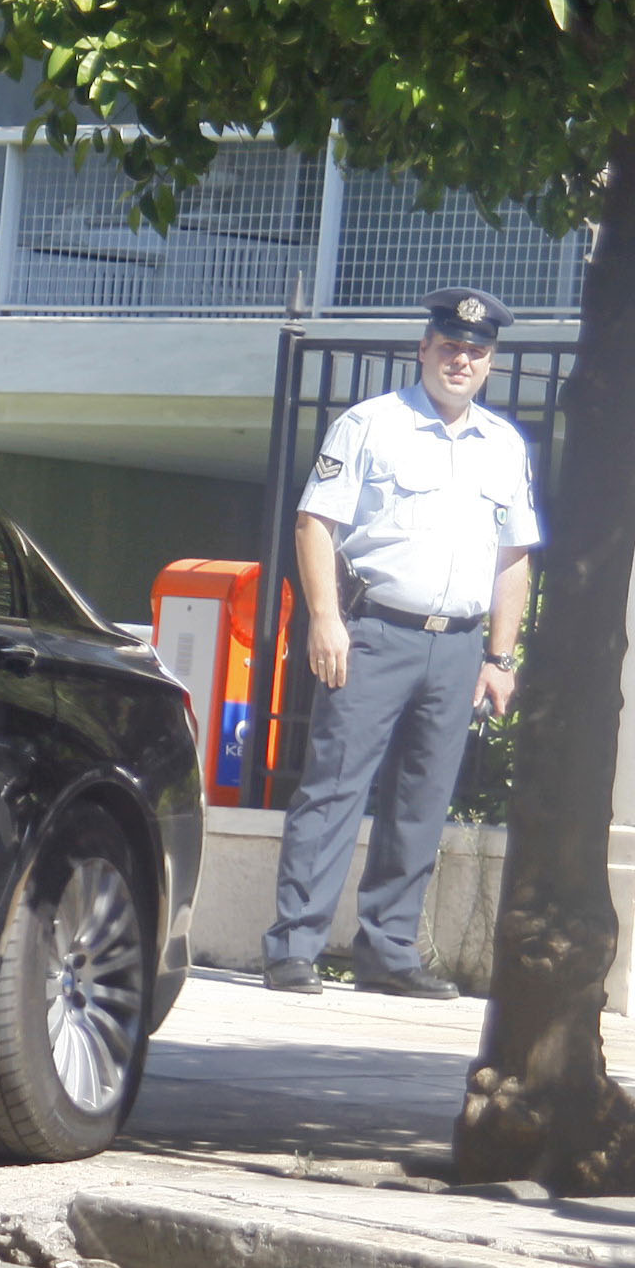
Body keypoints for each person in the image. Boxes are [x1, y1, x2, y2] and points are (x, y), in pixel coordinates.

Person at [261, 288, 539, 997]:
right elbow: (314, 523)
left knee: (423, 801)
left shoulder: (505, 445)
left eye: (475, 352)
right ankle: (294, 945)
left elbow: (514, 558)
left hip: (457, 647)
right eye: (449, 347)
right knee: (333, 790)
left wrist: (501, 658)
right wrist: (326, 619)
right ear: (425, 350)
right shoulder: (371, 424)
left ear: (490, 363)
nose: (461, 361)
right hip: (376, 632)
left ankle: (387, 950)